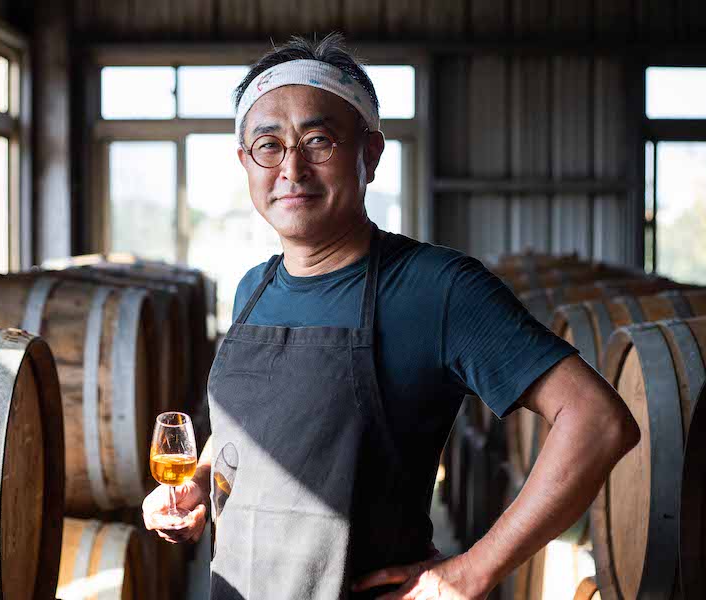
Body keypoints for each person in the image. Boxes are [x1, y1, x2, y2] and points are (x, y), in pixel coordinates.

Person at [143, 33, 640, 600]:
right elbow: (246, 431)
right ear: (245, 162)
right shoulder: (253, 288)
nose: (292, 168)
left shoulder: (436, 288)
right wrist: (199, 489)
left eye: (319, 140)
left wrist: (473, 570)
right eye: (269, 145)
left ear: (370, 154)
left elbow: (598, 420)